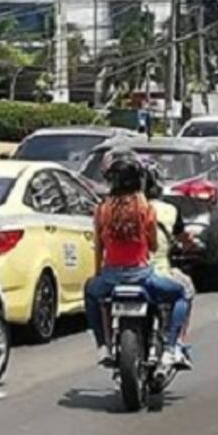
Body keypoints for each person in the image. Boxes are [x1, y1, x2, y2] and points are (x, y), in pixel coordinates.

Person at [84, 147, 192, 369]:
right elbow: (152, 245)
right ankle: (171, 348)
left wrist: (99, 275)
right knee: (180, 294)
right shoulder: (145, 208)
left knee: (90, 292)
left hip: (111, 277)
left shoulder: (102, 209)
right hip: (142, 276)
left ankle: (102, 345)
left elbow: (99, 247)